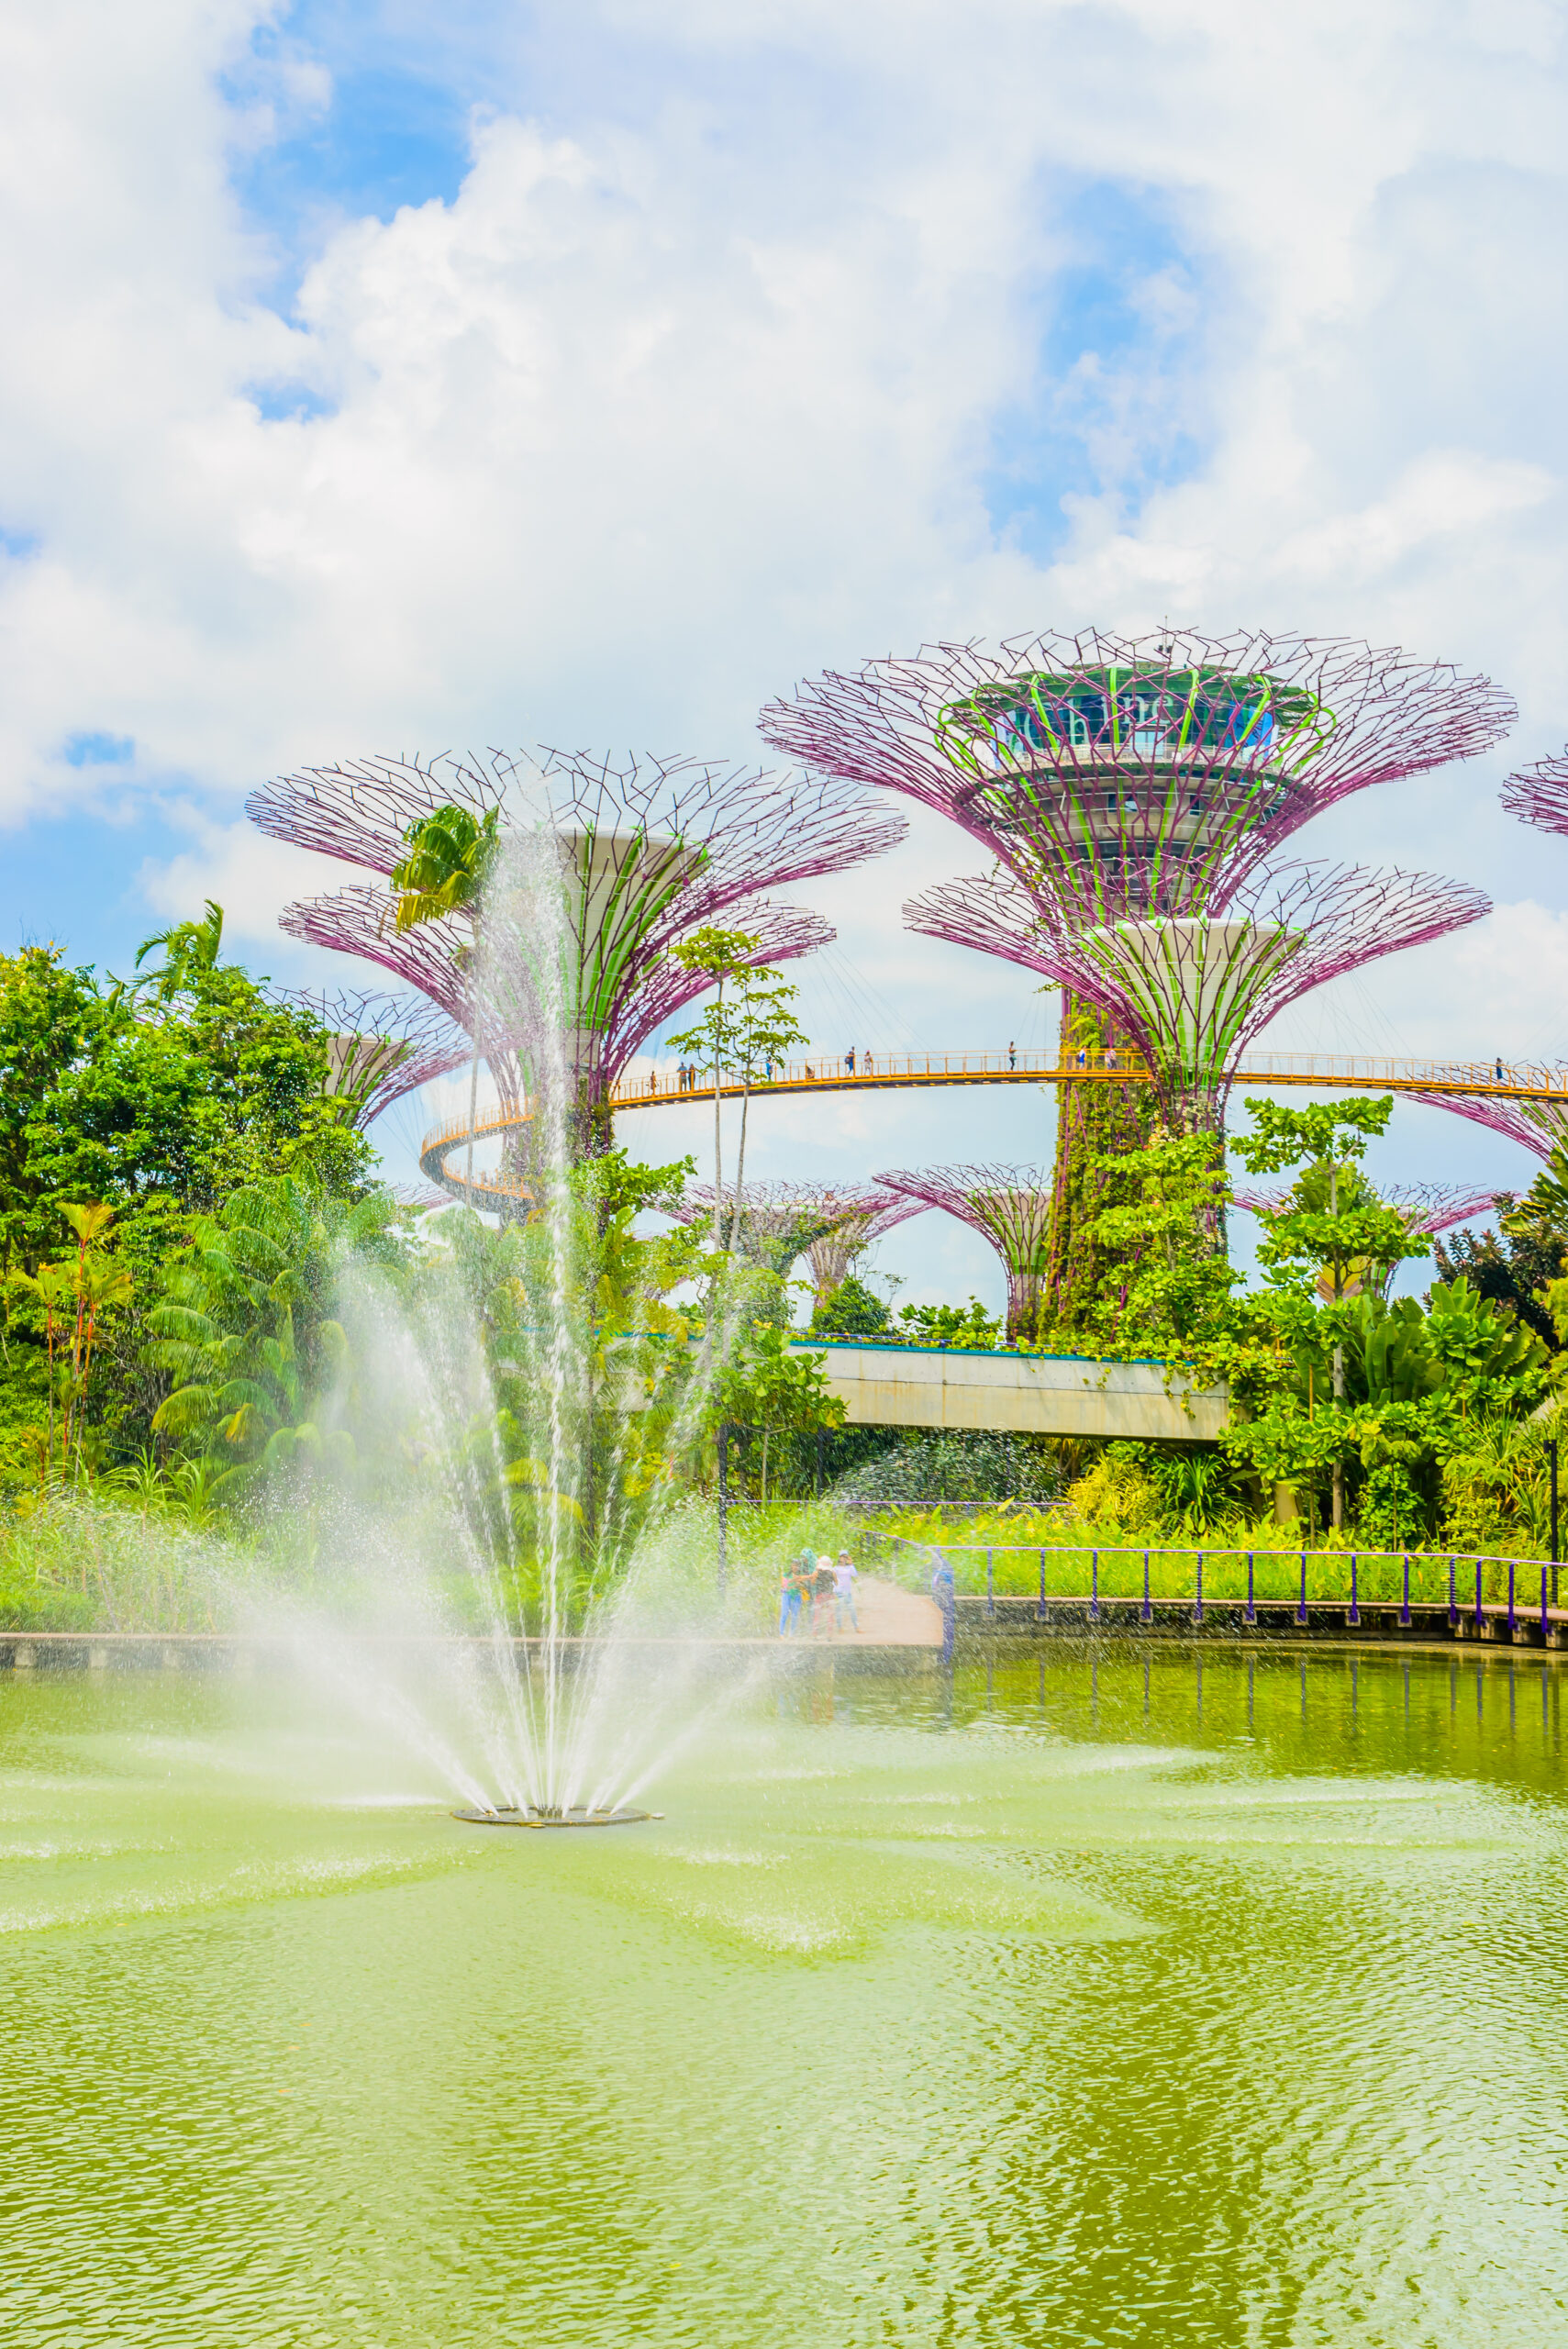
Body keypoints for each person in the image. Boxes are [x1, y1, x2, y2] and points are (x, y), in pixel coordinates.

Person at [833, 1549, 860, 1633]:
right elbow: (833, 1580)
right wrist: (833, 1592)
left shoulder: (849, 1568)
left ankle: (856, 1627)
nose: (844, 1559)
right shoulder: (835, 1568)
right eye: (843, 1557)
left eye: (846, 1557)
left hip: (847, 1592)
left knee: (852, 1610)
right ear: (839, 1558)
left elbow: (855, 1575)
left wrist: (851, 1563)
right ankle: (840, 1628)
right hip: (839, 1592)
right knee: (839, 1610)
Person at [778, 1556, 802, 1638]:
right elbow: (783, 1587)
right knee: (784, 1614)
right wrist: (794, 1585)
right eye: (794, 1565)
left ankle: (792, 1634)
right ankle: (781, 1634)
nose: (795, 1567)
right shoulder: (786, 1575)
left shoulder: (801, 1576)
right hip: (786, 1595)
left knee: (794, 1615)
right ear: (791, 1566)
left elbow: (804, 1587)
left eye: (797, 1565)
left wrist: (800, 1585)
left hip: (797, 1596)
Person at [812, 1553, 836, 1636]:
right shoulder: (832, 1572)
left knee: (817, 1615)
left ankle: (815, 1634)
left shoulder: (816, 1572)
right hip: (830, 1595)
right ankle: (829, 1635)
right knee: (830, 1616)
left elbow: (812, 1583)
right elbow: (836, 1582)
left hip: (819, 1595)